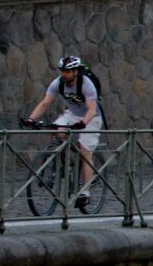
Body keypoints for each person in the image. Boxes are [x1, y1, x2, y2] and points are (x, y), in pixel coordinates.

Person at [24, 54, 103, 212]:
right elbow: (45, 103)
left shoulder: (86, 84)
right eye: (62, 71)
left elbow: (91, 109)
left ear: (75, 71)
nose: (64, 74)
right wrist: (30, 119)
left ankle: (85, 193)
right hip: (71, 114)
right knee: (57, 131)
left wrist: (83, 123)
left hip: (91, 117)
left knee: (85, 151)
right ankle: (62, 161)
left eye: (67, 72)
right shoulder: (58, 83)